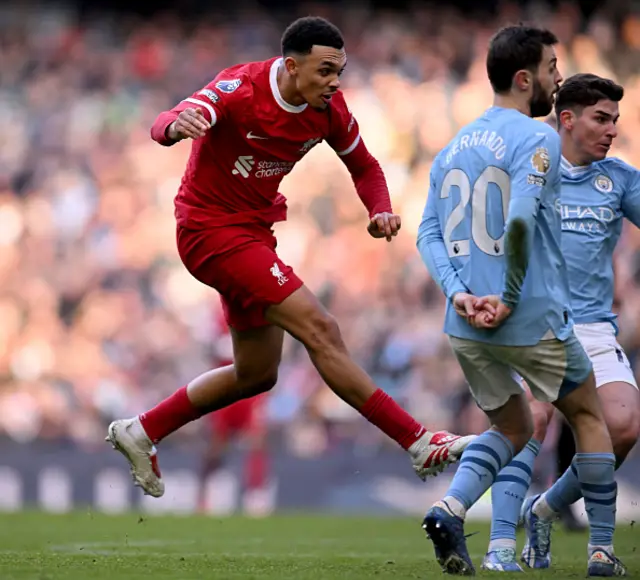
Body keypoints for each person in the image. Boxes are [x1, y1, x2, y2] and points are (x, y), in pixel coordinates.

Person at [105, 16, 475, 499]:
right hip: (208, 231)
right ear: (291, 66)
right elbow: (164, 122)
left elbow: (364, 166)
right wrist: (176, 126)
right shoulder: (239, 88)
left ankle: (142, 429)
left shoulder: (329, 109)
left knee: (257, 374)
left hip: (255, 234)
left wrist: (380, 208)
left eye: (338, 70)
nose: (334, 81)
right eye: (324, 70)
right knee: (321, 328)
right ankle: (418, 440)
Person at [416, 26, 623, 577]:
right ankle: (602, 551)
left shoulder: (451, 148)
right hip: (528, 315)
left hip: (463, 325)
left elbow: (428, 234)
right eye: (554, 69)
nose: (559, 81)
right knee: (589, 416)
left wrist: (459, 293)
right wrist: (505, 298)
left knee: (512, 428)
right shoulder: (537, 141)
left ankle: (449, 508)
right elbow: (521, 219)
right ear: (525, 77)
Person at [484, 73, 638, 574]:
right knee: (534, 421)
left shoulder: (618, 179)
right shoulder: (530, 169)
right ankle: (501, 545)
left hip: (593, 328)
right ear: (567, 120)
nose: (612, 129)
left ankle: (546, 506)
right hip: (533, 323)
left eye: (615, 119)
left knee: (624, 426)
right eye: (601, 118)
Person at [198, 308, 271, 516]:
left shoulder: (257, 309)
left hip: (251, 387)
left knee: (257, 440)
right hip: (224, 385)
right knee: (216, 445)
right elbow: (208, 346)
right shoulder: (215, 313)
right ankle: (205, 495)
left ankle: (256, 498)